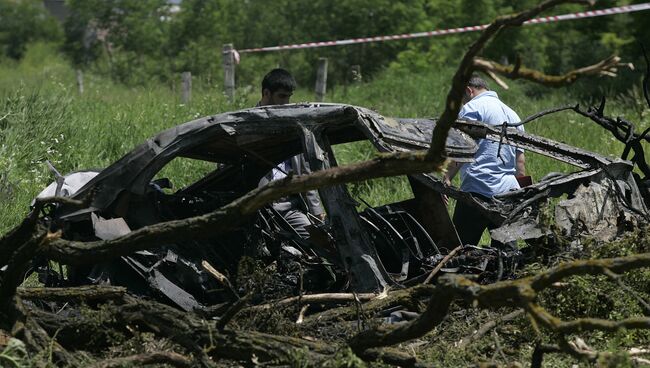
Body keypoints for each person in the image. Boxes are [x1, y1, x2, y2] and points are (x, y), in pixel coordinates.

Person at [443, 76, 526, 247]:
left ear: (469, 90)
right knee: (507, 255)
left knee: (458, 250)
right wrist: (522, 194)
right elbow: (520, 164)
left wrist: (446, 178)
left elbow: (461, 150)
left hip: (477, 189)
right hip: (508, 193)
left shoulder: (472, 108)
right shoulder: (513, 114)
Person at [257, 68, 325, 238]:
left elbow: (306, 171)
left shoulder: (292, 125)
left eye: (288, 97)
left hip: (290, 206)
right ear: (266, 93)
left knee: (320, 242)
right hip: (258, 208)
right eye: (281, 96)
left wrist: (316, 212)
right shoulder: (244, 125)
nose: (286, 102)